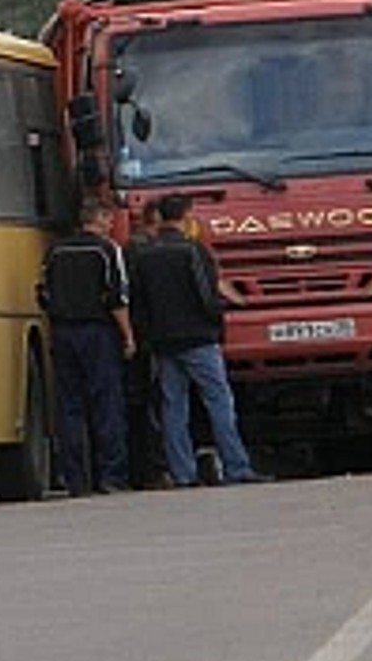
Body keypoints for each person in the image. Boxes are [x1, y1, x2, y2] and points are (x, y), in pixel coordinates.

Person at [128, 193, 269, 488]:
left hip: (164, 342)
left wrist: (148, 336)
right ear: (186, 215)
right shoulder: (193, 251)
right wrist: (216, 319)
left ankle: (182, 473)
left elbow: (138, 302)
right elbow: (206, 294)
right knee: (218, 400)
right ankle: (236, 466)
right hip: (198, 337)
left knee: (173, 407)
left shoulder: (144, 255)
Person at [39, 199, 135, 496]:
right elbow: (117, 297)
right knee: (106, 404)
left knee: (69, 407)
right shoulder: (107, 250)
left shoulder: (55, 250)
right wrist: (128, 336)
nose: (110, 225)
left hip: (62, 332)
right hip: (97, 332)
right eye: (108, 220)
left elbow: (42, 293)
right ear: (100, 219)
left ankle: (75, 479)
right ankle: (111, 475)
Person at [122, 201, 172, 490]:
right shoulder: (145, 251)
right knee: (156, 402)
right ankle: (154, 467)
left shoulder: (130, 249)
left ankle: (143, 469)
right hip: (150, 336)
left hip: (142, 334)